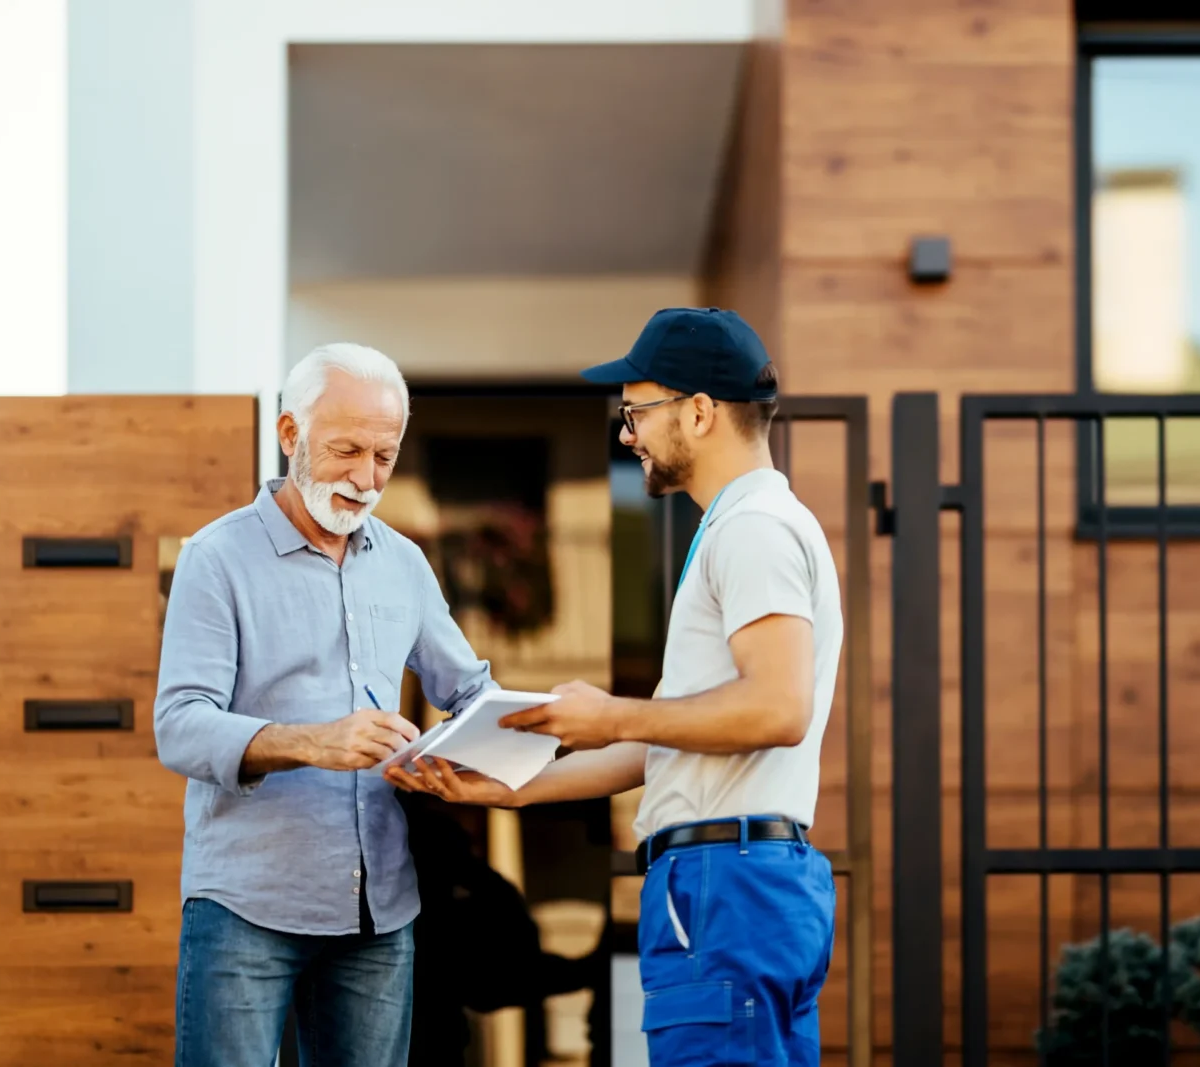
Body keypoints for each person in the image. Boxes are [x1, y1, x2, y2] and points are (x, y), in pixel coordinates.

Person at [387, 307, 842, 1065]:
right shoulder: (750, 524)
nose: (627, 433)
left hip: (723, 886)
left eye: (637, 410)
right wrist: (514, 788)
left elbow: (776, 707)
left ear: (700, 412)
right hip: (743, 883)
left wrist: (607, 713)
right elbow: (668, 740)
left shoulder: (752, 530)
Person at [155, 343, 498, 1067]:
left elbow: (470, 692)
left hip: (380, 911)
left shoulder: (404, 563)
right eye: (346, 451)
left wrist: (494, 738)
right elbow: (180, 724)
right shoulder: (215, 559)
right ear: (290, 435)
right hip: (246, 905)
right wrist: (313, 742)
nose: (367, 477)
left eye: (384, 455)